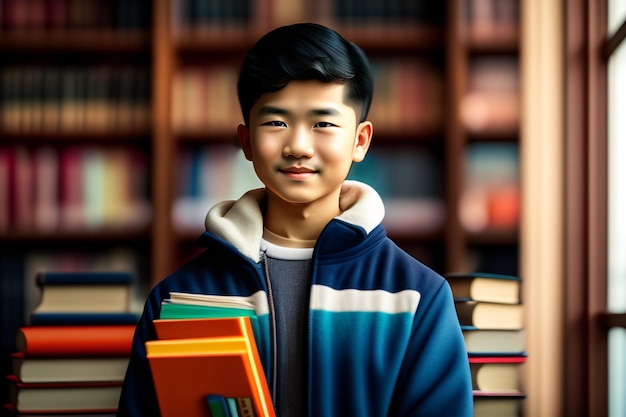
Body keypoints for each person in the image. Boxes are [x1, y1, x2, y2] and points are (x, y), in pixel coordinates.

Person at [117, 22, 473, 417]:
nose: (299, 147)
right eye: (276, 122)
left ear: (360, 140)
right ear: (247, 142)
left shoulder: (416, 298)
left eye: (323, 123)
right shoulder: (179, 298)